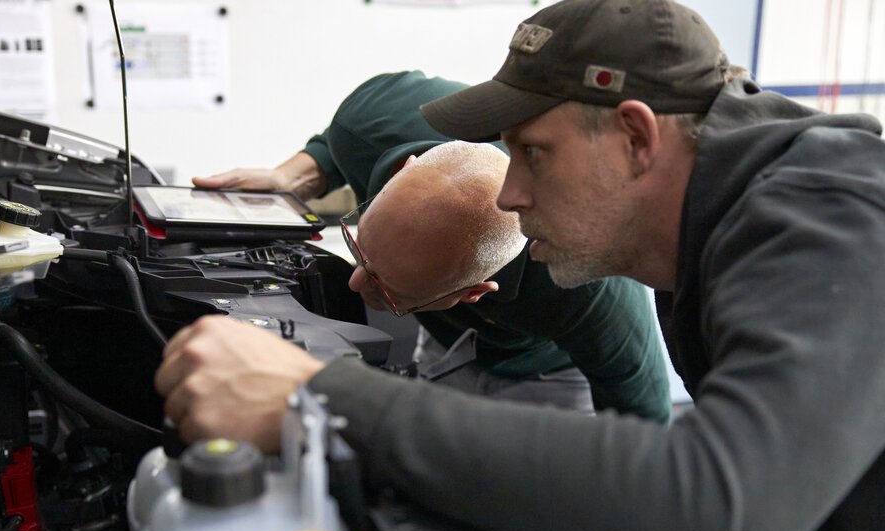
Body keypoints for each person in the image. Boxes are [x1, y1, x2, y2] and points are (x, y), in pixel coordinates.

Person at [156, 0, 885, 531]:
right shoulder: (716, 211)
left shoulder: (832, 223)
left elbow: (708, 520)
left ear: (637, 137)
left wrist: (317, 394)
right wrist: (296, 173)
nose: (508, 193)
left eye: (535, 153)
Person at [194, 71, 671, 421]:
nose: (356, 283)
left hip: (548, 372)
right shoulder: (374, 116)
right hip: (450, 344)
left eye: (388, 291)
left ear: (473, 292)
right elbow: (338, 143)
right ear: (404, 171)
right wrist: (291, 176)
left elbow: (641, 427)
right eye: (360, 249)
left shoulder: (590, 287)